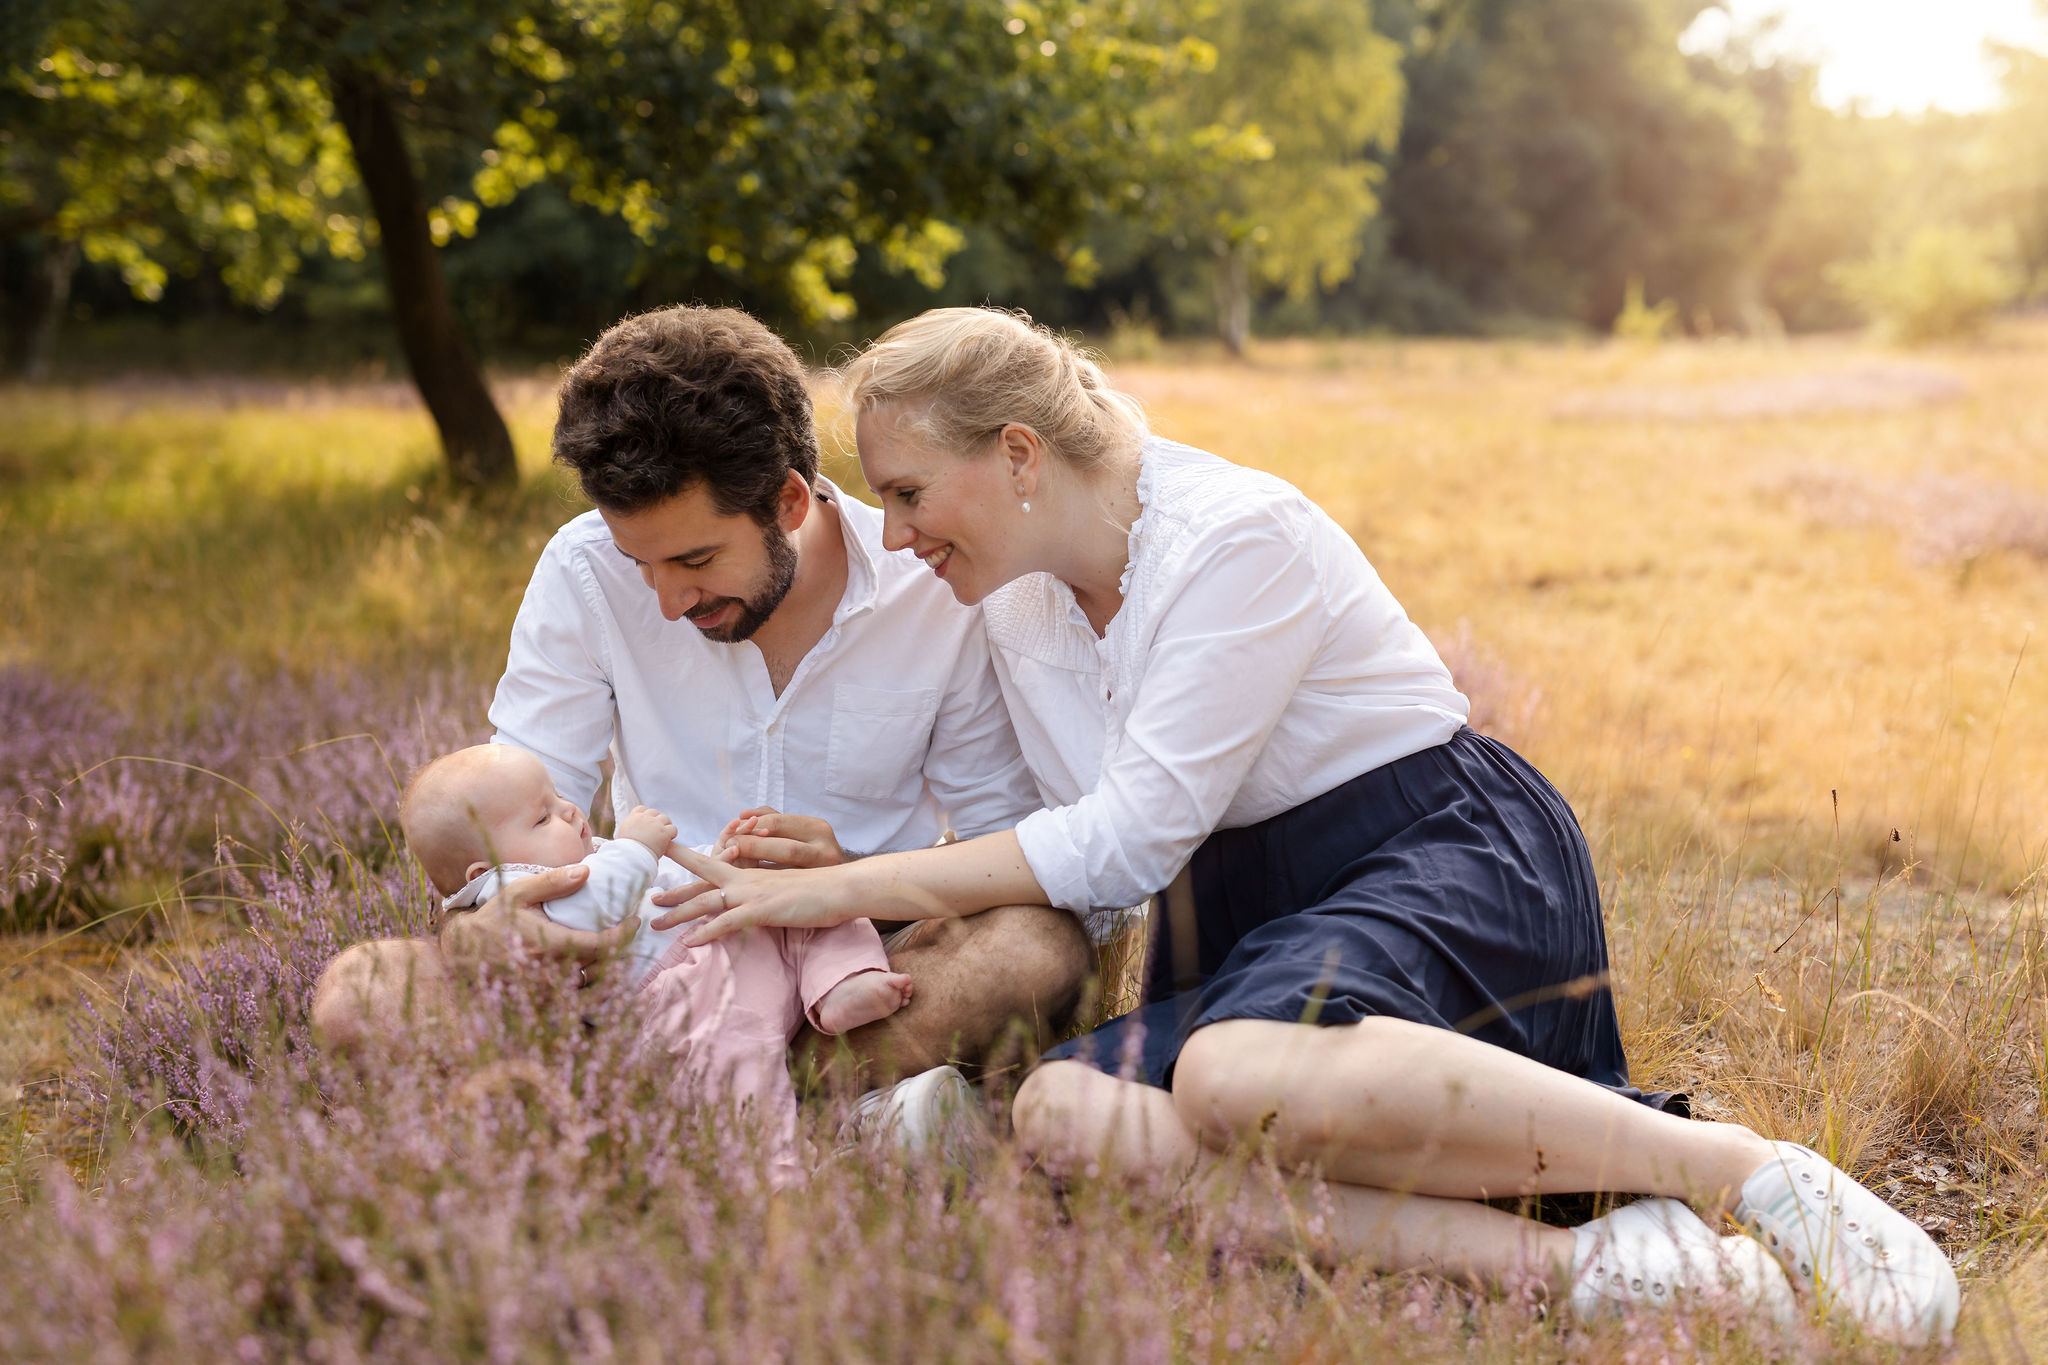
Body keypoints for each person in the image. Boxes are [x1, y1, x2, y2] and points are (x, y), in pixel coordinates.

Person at [648, 307, 1961, 1344]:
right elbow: (1050, 841)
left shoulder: (1236, 540)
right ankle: (1605, 1266)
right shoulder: (1016, 602)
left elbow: (1123, 842)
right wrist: (851, 895)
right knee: (1064, 1116)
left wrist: (841, 891)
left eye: (910, 491)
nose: (895, 532)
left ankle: (1748, 1172)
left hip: (1430, 852)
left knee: (1232, 1076)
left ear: (1020, 454)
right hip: (1247, 915)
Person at [310, 306, 1096, 1101]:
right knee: (361, 988)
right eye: (639, 561)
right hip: (638, 965)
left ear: (789, 502)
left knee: (1037, 948)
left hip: (852, 961)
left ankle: (661, 1100)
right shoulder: (582, 572)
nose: (666, 599)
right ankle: (801, 1104)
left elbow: (1005, 843)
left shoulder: (931, 590)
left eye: (696, 558)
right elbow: (514, 805)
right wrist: (484, 927)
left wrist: (853, 879)